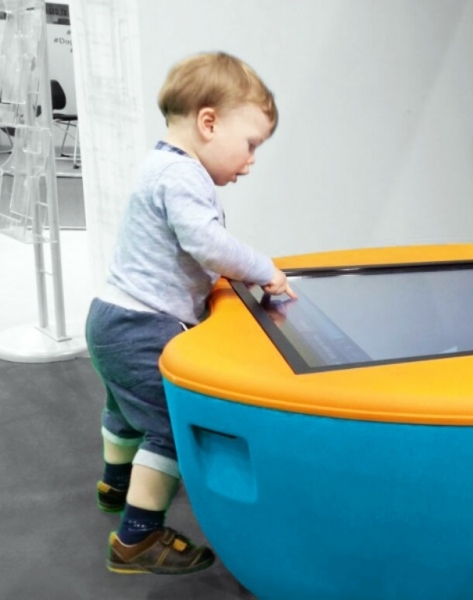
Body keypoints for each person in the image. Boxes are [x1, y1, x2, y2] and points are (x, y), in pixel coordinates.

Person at [85, 51, 297, 575]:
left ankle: (115, 484)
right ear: (208, 123)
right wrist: (263, 269)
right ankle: (137, 537)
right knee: (171, 427)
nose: (251, 160)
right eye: (250, 144)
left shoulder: (159, 165)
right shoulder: (183, 175)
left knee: (124, 410)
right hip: (142, 327)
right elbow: (207, 243)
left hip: (110, 317)